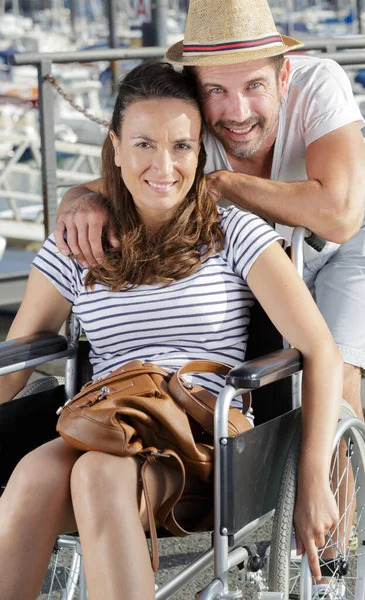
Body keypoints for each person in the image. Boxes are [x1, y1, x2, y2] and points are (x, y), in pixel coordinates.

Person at [0, 62, 343, 600]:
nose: (164, 166)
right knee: (34, 474)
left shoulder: (231, 231)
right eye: (143, 144)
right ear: (114, 147)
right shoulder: (79, 240)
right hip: (111, 424)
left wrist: (315, 476)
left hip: (206, 442)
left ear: (200, 150)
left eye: (181, 146)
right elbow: (14, 364)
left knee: (97, 474)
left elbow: (319, 348)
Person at [55, 0, 365, 430]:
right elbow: (116, 181)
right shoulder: (194, 120)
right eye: (217, 91)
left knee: (334, 368)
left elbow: (340, 215)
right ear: (197, 91)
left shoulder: (318, 82)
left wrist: (226, 184)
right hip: (274, 237)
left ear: (284, 75)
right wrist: (78, 202)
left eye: (255, 86)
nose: (237, 112)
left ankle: (334, 495)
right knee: (269, 370)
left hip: (357, 222)